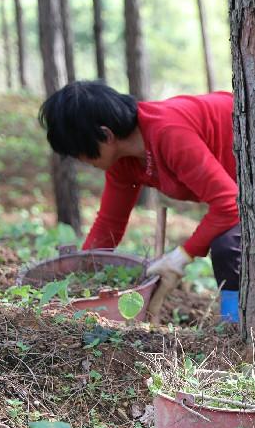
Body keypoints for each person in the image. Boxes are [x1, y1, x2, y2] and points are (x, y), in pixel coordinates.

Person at [38, 81, 241, 322]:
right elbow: (108, 225)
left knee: (227, 246)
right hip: (237, 188)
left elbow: (230, 203)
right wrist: (80, 276)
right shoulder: (122, 161)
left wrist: (179, 258)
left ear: (106, 135)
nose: (81, 161)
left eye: (80, 152)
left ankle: (236, 324)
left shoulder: (168, 133)